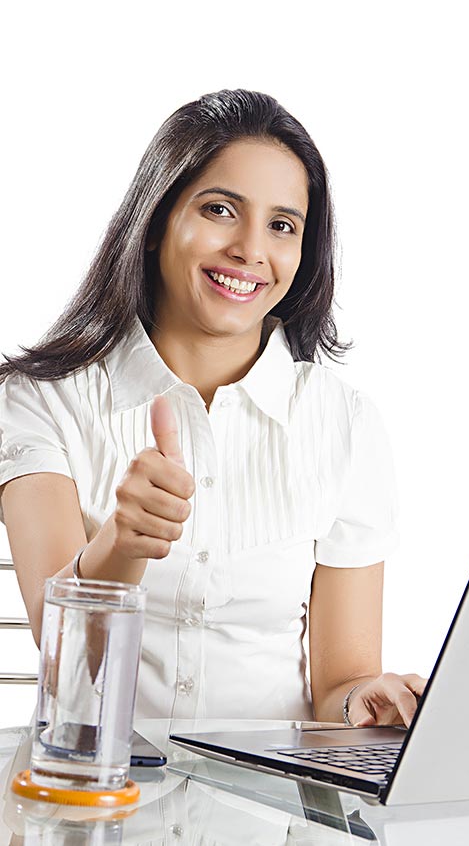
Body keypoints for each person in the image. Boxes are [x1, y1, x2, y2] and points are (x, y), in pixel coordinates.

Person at [0, 89, 426, 726]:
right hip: (96, 805)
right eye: (221, 210)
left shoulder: (345, 424)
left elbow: (340, 682)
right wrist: (124, 542)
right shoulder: (39, 399)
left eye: (282, 225)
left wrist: (363, 700)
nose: (251, 249)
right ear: (155, 225)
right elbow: (66, 661)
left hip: (264, 814)